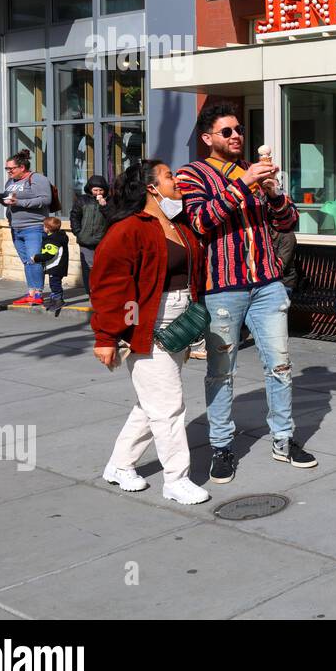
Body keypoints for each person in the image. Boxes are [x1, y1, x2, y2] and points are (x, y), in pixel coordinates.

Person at [176, 103, 317, 485]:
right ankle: (221, 446)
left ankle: (283, 439)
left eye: (238, 129)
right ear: (208, 139)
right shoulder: (192, 174)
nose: (237, 135)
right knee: (221, 370)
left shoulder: (251, 175)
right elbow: (201, 220)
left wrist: (273, 194)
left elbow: (287, 223)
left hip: (268, 283)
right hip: (223, 287)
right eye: (227, 131)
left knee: (281, 365)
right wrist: (243, 185)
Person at [90, 160, 211, 505]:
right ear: (151, 187)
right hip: (148, 322)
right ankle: (176, 479)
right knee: (169, 406)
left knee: (151, 404)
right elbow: (109, 286)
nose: (178, 180)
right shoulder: (128, 228)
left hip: (178, 321)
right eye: (170, 175)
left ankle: (118, 465)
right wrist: (107, 337)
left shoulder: (177, 223)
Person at [1, 150, 56, 307]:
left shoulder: (37, 179)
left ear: (22, 167)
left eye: (11, 168)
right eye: (7, 169)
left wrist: (19, 203)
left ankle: (38, 293)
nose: (9, 171)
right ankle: (31, 293)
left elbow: (45, 199)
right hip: (16, 228)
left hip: (34, 227)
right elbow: (8, 201)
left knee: (34, 260)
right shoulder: (10, 182)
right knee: (27, 261)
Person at [70, 176, 111, 295]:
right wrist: (78, 232)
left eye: (101, 190)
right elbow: (74, 216)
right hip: (85, 240)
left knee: (102, 267)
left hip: (102, 240)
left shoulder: (109, 201)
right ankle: (91, 292)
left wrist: (104, 206)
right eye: (95, 190)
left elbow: (112, 217)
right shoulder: (82, 200)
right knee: (88, 268)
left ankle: (103, 290)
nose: (98, 193)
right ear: (90, 189)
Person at [32, 216, 70, 314]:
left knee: (55, 283)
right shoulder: (59, 237)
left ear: (48, 228)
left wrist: (36, 258)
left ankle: (58, 300)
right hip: (58, 266)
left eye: (44, 226)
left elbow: (49, 254)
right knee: (54, 283)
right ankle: (54, 300)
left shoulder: (52, 240)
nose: (43, 228)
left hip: (55, 266)